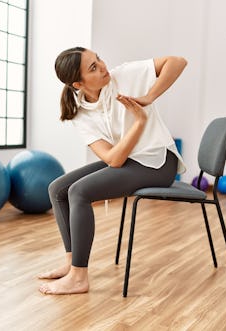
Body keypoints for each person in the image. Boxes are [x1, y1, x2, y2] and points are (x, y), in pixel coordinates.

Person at [38, 46, 187, 294]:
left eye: (98, 59)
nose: (103, 67)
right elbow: (112, 158)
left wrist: (150, 97)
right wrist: (139, 122)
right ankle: (71, 263)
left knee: (79, 192)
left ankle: (78, 277)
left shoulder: (124, 75)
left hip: (158, 162)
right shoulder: (79, 112)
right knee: (58, 189)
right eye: (93, 67)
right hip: (129, 160)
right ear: (78, 83)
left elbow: (178, 61)